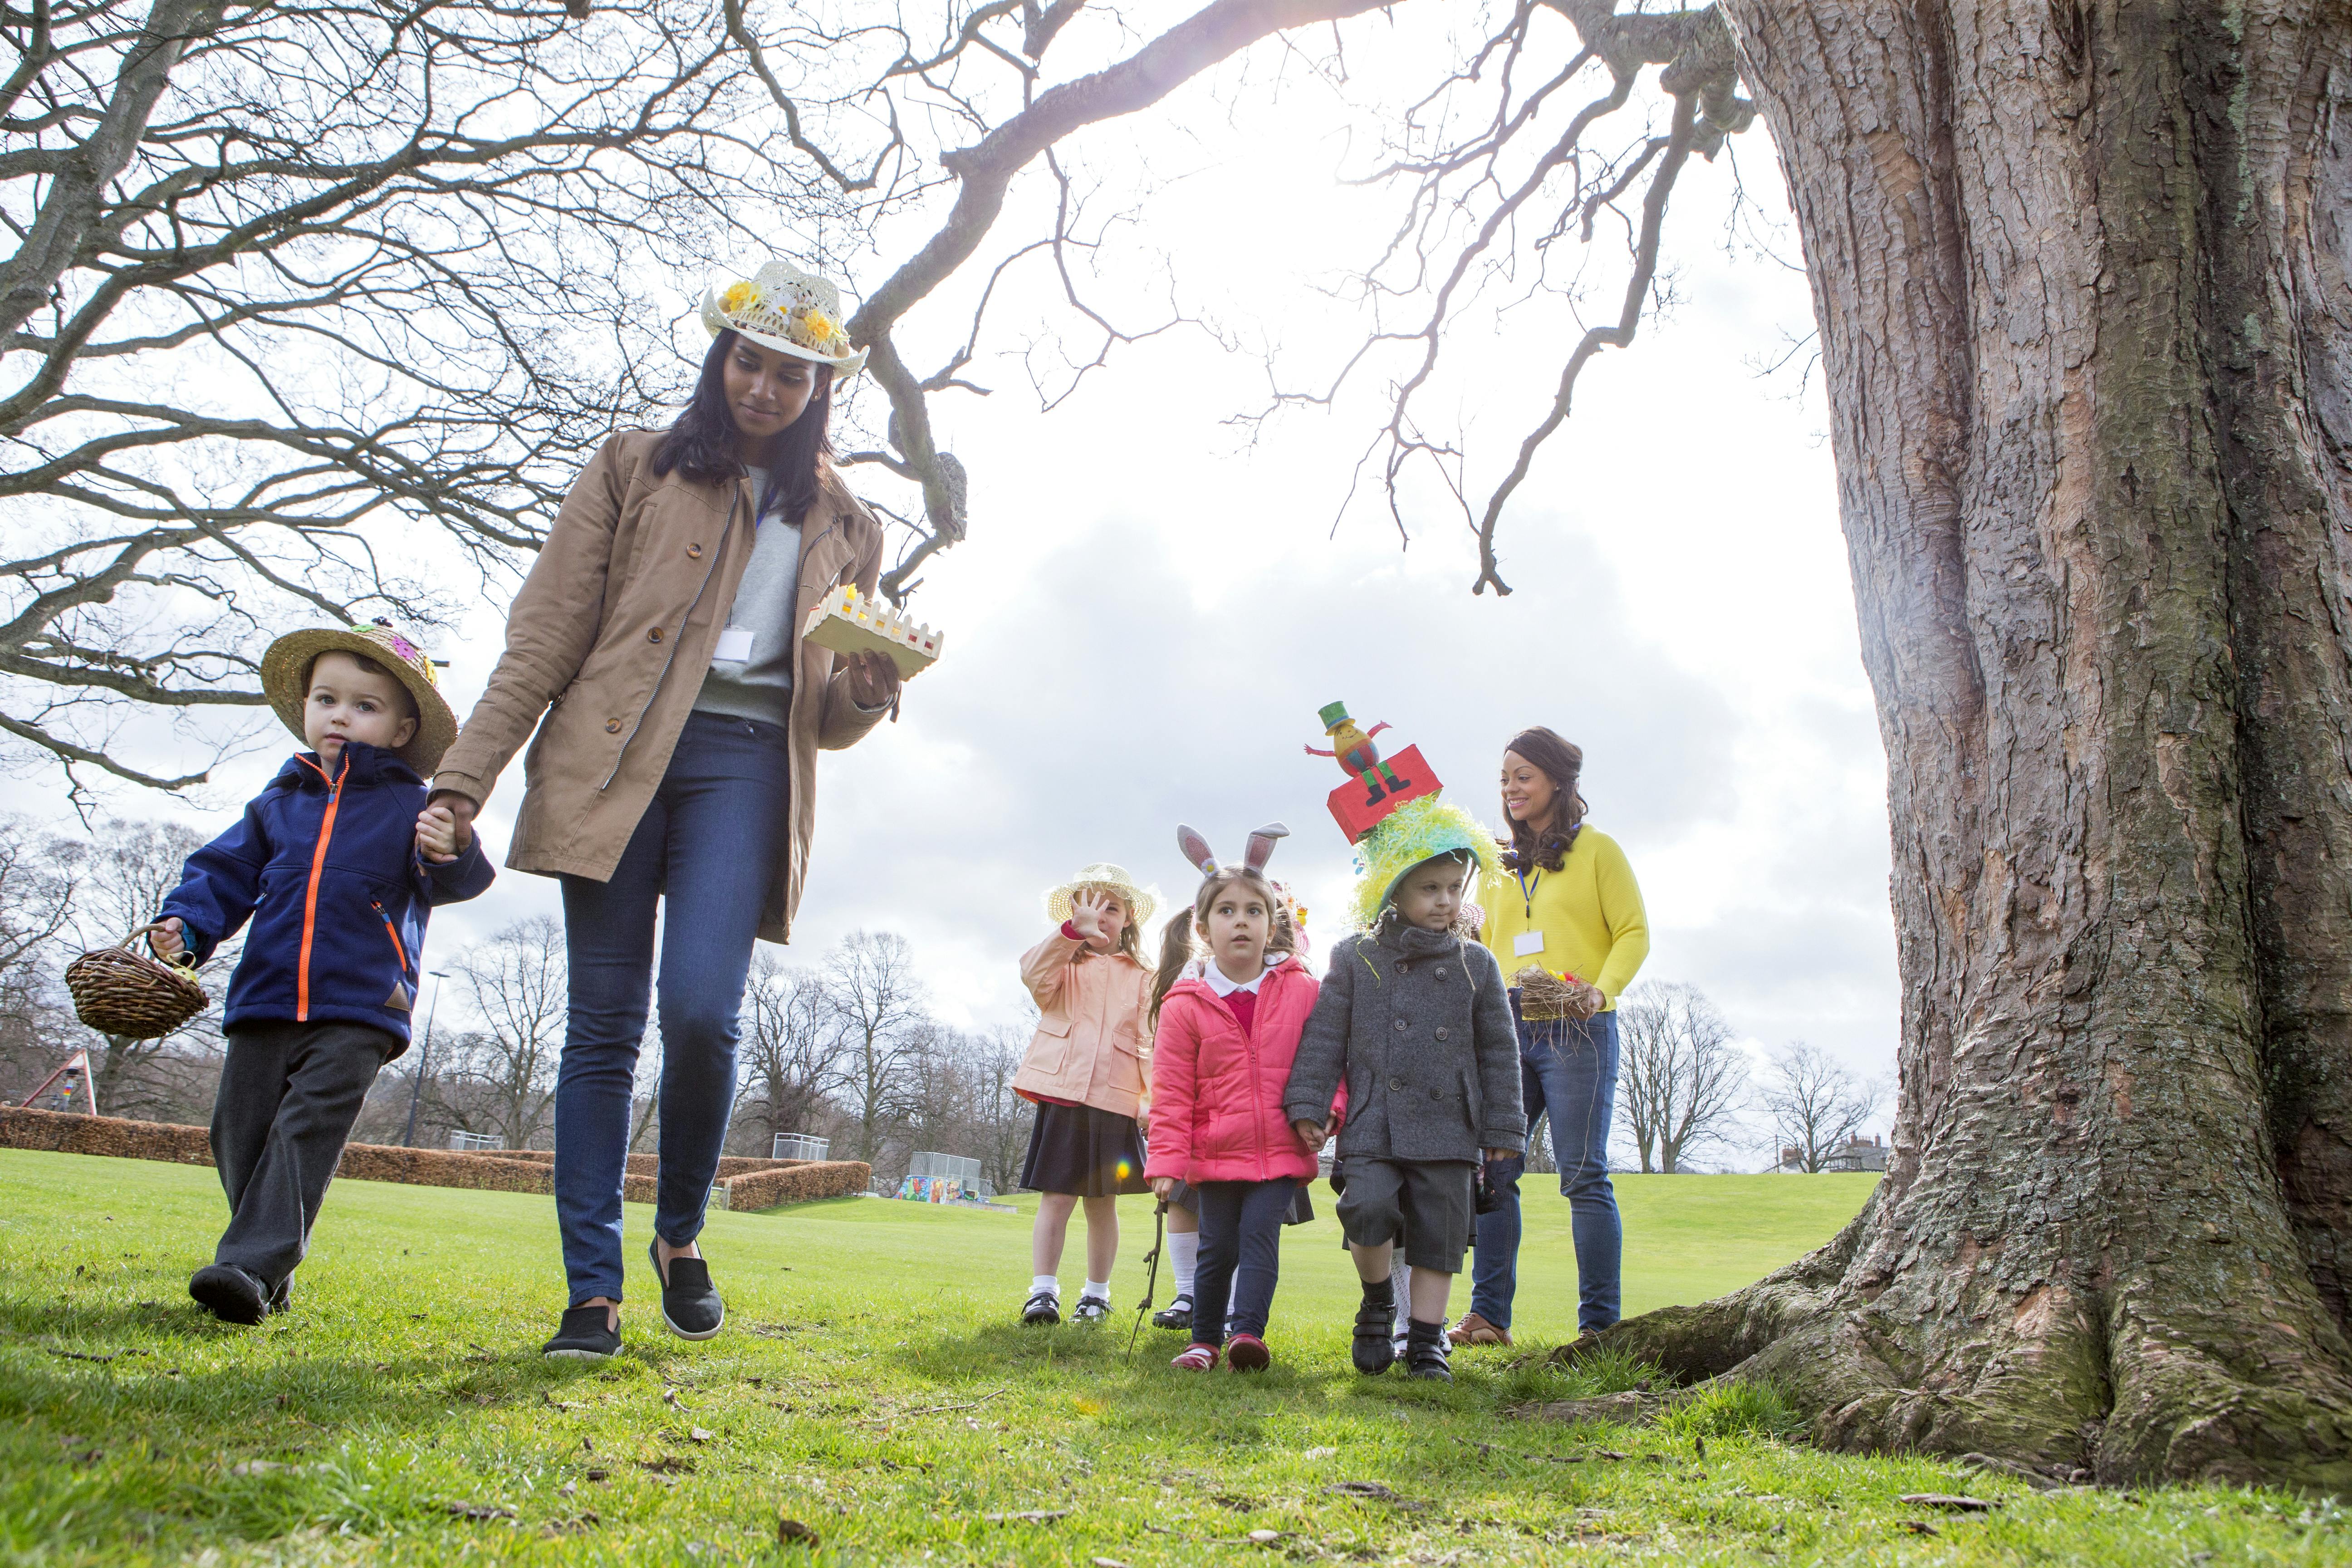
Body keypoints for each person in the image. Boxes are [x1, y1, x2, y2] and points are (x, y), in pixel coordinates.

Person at [426, 257, 904, 1360]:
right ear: (720, 357)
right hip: (612, 756)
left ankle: (678, 1231)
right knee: (601, 1029)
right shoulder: (630, 466)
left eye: (793, 375)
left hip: (744, 766)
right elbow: (544, 636)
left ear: (819, 390)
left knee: (701, 1012)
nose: (766, 389)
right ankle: (590, 1291)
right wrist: (462, 781)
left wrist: (868, 695)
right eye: (750, 361)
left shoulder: (844, 520)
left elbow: (823, 711)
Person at [153, 622, 494, 1324]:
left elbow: (459, 879)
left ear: (403, 730)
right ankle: (266, 1274)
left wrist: (450, 847)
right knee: (237, 1132)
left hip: (361, 1006)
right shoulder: (278, 803)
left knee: (305, 1130)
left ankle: (246, 1266)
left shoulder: (413, 808)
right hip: (266, 997)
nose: (340, 715)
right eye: (327, 699)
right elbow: (224, 875)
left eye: (365, 706)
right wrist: (187, 926)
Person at [1283, 798, 1525, 1381]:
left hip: (1451, 1124)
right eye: (1429, 889)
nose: (1445, 901)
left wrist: (1503, 1129)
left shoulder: (1479, 964)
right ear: (1393, 892)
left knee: (1440, 1234)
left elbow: (1500, 1052)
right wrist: (1308, 1105)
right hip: (1374, 1118)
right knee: (1365, 1209)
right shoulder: (1355, 957)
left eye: (1452, 887)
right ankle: (1376, 1305)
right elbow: (1323, 1038)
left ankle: (1426, 1342)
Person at [1460, 726, 1650, 1348]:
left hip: (1577, 1025)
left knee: (1583, 1175)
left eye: (1523, 776)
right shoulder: (1494, 867)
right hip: (1508, 1028)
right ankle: (1488, 1318)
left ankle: (1599, 1328)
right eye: (1505, 779)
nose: (1511, 789)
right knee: (1495, 1173)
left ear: (1558, 781)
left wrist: (1602, 990)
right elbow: (1483, 952)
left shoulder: (1600, 852)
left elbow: (1633, 932)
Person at [1144, 825, 1332, 1371]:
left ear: (1273, 925)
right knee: (1216, 1247)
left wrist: (1325, 1112)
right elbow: (1174, 1093)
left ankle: (1247, 1333)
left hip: (1280, 1150)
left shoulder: (1303, 991)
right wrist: (1167, 1162)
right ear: (1203, 928)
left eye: (1254, 911)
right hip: (1214, 1153)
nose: (1241, 920)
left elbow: (1328, 1062)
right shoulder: (1185, 1004)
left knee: (1259, 1237)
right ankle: (1203, 1341)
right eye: (1227, 911)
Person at [1013, 863, 1159, 1326]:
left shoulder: (1143, 976)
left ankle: (1096, 1295)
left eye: (1111, 908)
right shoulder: (1061, 967)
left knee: (1102, 1204)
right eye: (1090, 907)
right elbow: (1033, 975)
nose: (1101, 917)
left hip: (1115, 1101)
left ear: (1129, 917)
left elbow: (1149, 1042)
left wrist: (1149, 1100)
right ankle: (1043, 1292)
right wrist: (1069, 935)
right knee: (1056, 1197)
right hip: (1063, 1094)